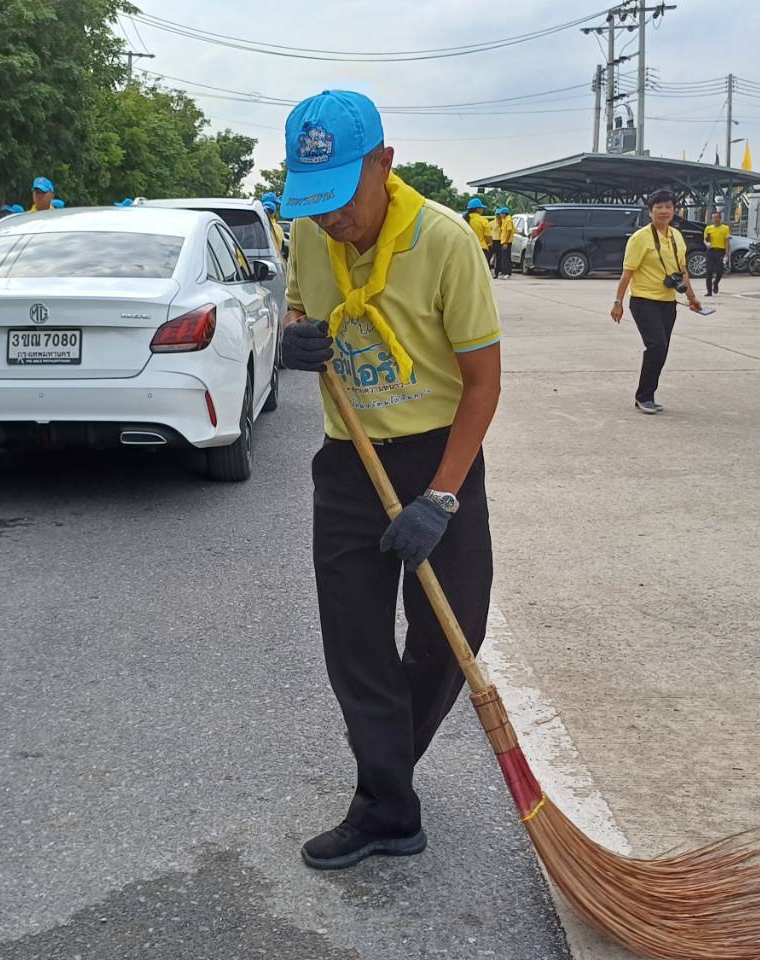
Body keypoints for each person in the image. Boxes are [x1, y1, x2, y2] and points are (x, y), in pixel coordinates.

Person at [273, 90, 501, 871]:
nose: (331, 217)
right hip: (350, 460)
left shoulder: (445, 243)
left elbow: (482, 385)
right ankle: (386, 809)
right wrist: (292, 343)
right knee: (357, 645)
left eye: (342, 195)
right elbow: (301, 313)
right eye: (314, 201)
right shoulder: (307, 234)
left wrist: (441, 497)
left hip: (439, 457)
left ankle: (384, 778)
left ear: (384, 163)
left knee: (449, 636)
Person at [611, 190, 702, 414]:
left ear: (674, 210)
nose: (664, 211)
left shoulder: (676, 237)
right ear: (650, 211)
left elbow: (683, 271)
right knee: (656, 346)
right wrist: (618, 302)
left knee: (662, 350)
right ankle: (644, 397)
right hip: (643, 301)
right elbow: (627, 273)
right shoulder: (640, 238)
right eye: (658, 207)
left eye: (668, 207)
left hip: (668, 302)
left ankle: (648, 395)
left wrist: (691, 298)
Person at [702, 210, 730, 296]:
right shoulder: (708, 228)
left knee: (720, 270)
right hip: (711, 251)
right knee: (709, 271)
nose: (715, 219)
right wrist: (707, 244)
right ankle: (709, 291)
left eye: (717, 217)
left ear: (720, 218)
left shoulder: (725, 228)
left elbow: (727, 242)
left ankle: (716, 283)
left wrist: (727, 253)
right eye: (713, 218)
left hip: (720, 251)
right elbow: (705, 240)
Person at [464, 198, 492, 273]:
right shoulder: (483, 221)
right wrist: (490, 244)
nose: (482, 210)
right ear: (478, 209)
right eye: (482, 208)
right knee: (481, 273)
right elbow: (488, 238)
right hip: (481, 249)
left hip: (467, 249)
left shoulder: (464, 219)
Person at [490, 207, 515, 279]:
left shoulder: (508, 220)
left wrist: (506, 242)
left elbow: (509, 231)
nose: (500, 215)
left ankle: (507, 273)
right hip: (502, 241)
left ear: (504, 213)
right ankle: (503, 272)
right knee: (503, 258)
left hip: (505, 242)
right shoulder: (505, 220)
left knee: (506, 258)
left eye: (501, 213)